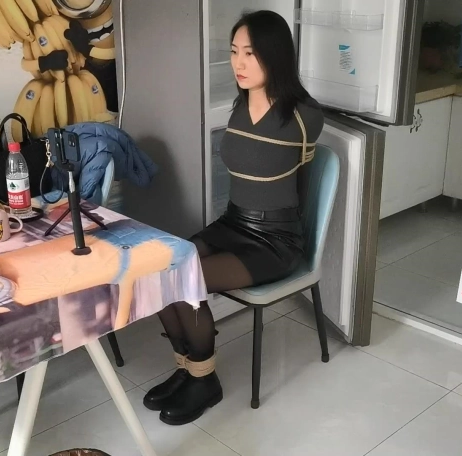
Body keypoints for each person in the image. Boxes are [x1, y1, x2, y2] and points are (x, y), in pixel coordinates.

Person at [143, 10, 325, 425]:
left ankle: (205, 382)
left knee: (188, 280)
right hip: (234, 223)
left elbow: (299, 174)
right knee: (159, 269)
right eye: (234, 52)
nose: (239, 63)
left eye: (251, 53)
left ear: (275, 55)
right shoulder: (240, 104)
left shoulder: (304, 116)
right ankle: (187, 368)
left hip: (275, 240)